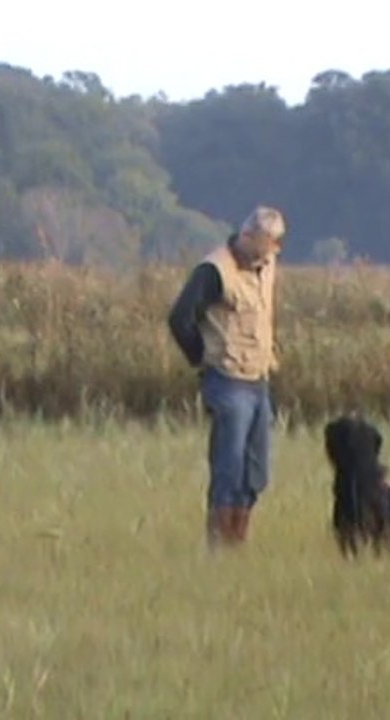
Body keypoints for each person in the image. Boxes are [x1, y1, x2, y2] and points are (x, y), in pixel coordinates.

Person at [167, 205, 285, 549]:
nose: (271, 253)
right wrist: (202, 359)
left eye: (275, 246)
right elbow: (180, 318)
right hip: (228, 380)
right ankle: (220, 547)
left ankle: (239, 543)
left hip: (259, 379)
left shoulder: (266, 266)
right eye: (266, 245)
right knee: (228, 469)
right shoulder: (214, 270)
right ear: (248, 237)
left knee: (255, 473)